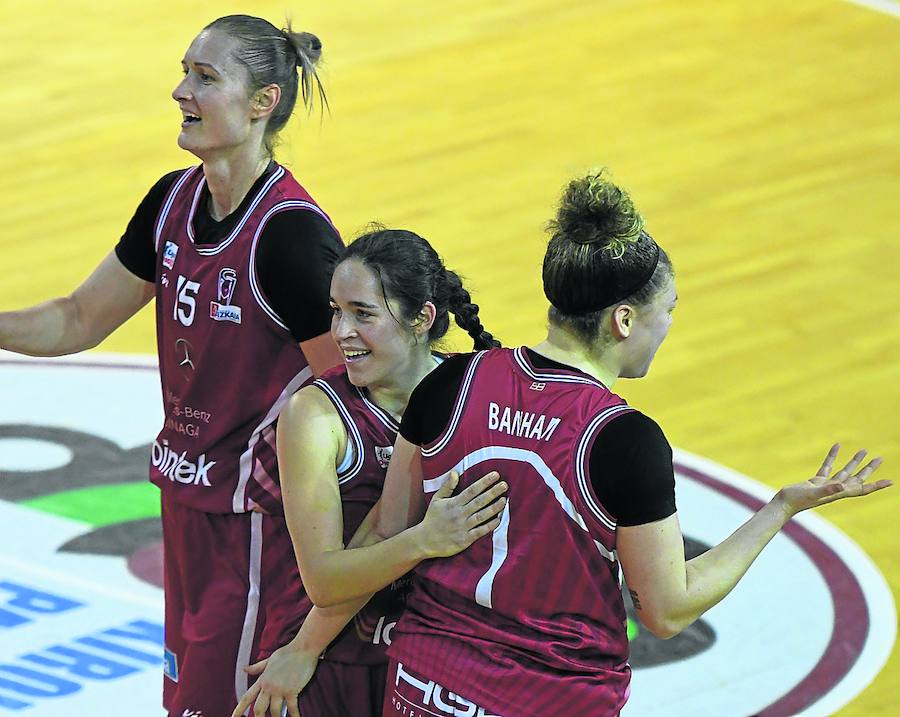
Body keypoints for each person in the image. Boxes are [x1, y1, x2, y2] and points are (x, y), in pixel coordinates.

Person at [367, 171, 890, 716]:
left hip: (422, 689)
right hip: (548, 700)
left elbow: (388, 536)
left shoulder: (450, 383)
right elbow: (667, 611)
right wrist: (780, 509)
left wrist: (305, 645)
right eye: (667, 310)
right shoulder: (624, 440)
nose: (666, 326)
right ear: (623, 320)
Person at [0, 14, 348, 717]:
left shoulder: (290, 239)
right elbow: (77, 317)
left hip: (260, 526)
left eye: (205, 78)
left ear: (262, 105)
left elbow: (353, 395)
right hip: (186, 508)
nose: (180, 90)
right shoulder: (171, 200)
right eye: (185, 70)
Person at [231, 228, 507, 717]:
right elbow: (324, 580)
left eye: (363, 314)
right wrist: (426, 539)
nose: (340, 332)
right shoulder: (315, 414)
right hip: (325, 663)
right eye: (336, 310)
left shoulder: (475, 390)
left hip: (431, 665)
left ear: (422, 318)